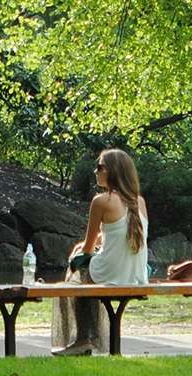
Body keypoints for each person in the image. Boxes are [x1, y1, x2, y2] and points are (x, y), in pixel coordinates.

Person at [51, 147, 150, 356]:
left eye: (100, 167)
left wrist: (80, 252)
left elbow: (87, 249)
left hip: (111, 274)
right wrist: (95, 244)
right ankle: (89, 338)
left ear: (113, 171)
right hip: (136, 277)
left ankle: (82, 339)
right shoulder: (139, 201)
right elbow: (119, 235)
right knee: (87, 272)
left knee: (74, 276)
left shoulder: (101, 201)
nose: (96, 171)